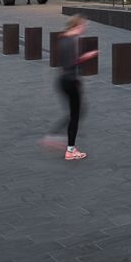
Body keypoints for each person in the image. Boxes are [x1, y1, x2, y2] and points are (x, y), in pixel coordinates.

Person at [45, 16, 97, 161]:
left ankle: (57, 137)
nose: (84, 29)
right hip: (70, 81)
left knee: (77, 112)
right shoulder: (71, 41)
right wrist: (86, 56)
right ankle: (69, 149)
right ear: (76, 26)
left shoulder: (64, 38)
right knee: (76, 114)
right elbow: (70, 64)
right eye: (83, 26)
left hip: (63, 81)